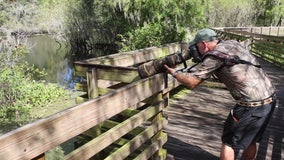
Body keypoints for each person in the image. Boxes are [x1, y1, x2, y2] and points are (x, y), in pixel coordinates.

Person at [164, 28, 277, 160]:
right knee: (250, 139)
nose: (196, 49)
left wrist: (174, 73)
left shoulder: (214, 56)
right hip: (270, 99)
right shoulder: (232, 43)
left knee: (228, 142)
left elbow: (192, 82)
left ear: (204, 44)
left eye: (197, 46)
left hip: (250, 105)